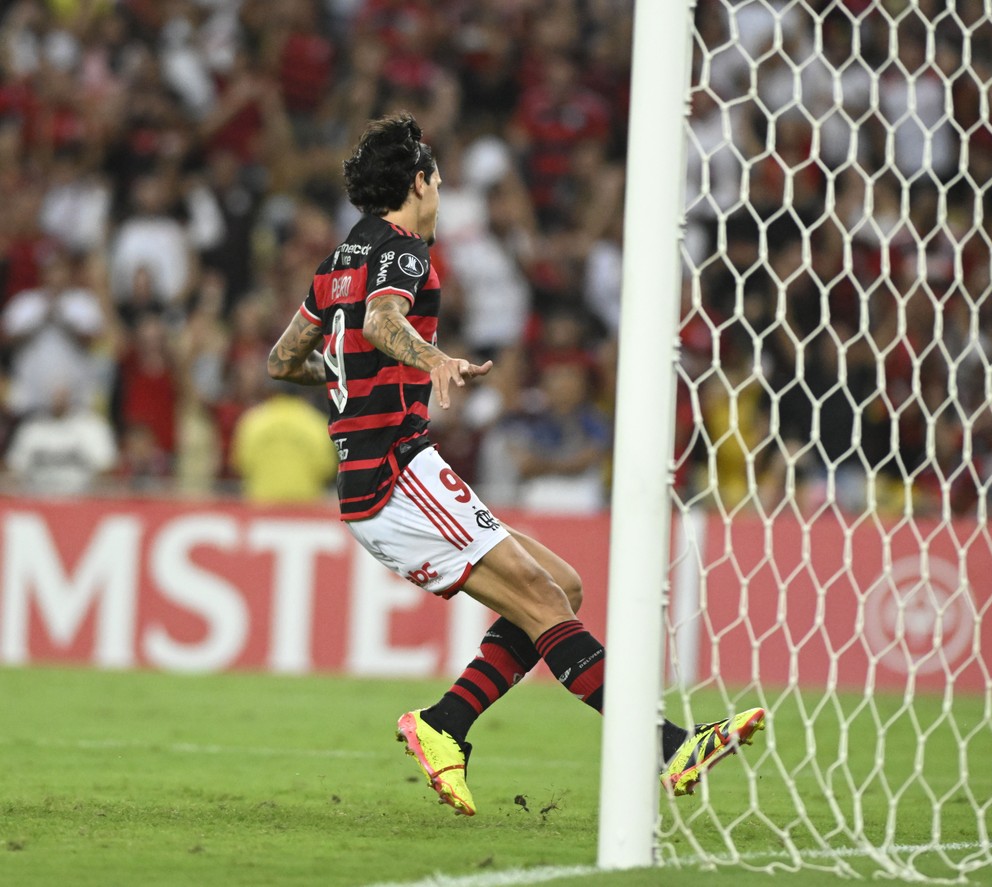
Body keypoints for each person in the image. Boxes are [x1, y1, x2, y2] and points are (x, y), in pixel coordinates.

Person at [266, 113, 764, 816]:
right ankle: (667, 744)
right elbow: (382, 322)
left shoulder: (337, 262)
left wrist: (348, 373)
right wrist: (432, 356)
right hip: (398, 473)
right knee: (539, 598)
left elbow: (283, 359)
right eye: (437, 180)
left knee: (560, 586)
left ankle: (444, 725)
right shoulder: (405, 251)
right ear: (418, 183)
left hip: (379, 479)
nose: (440, 192)